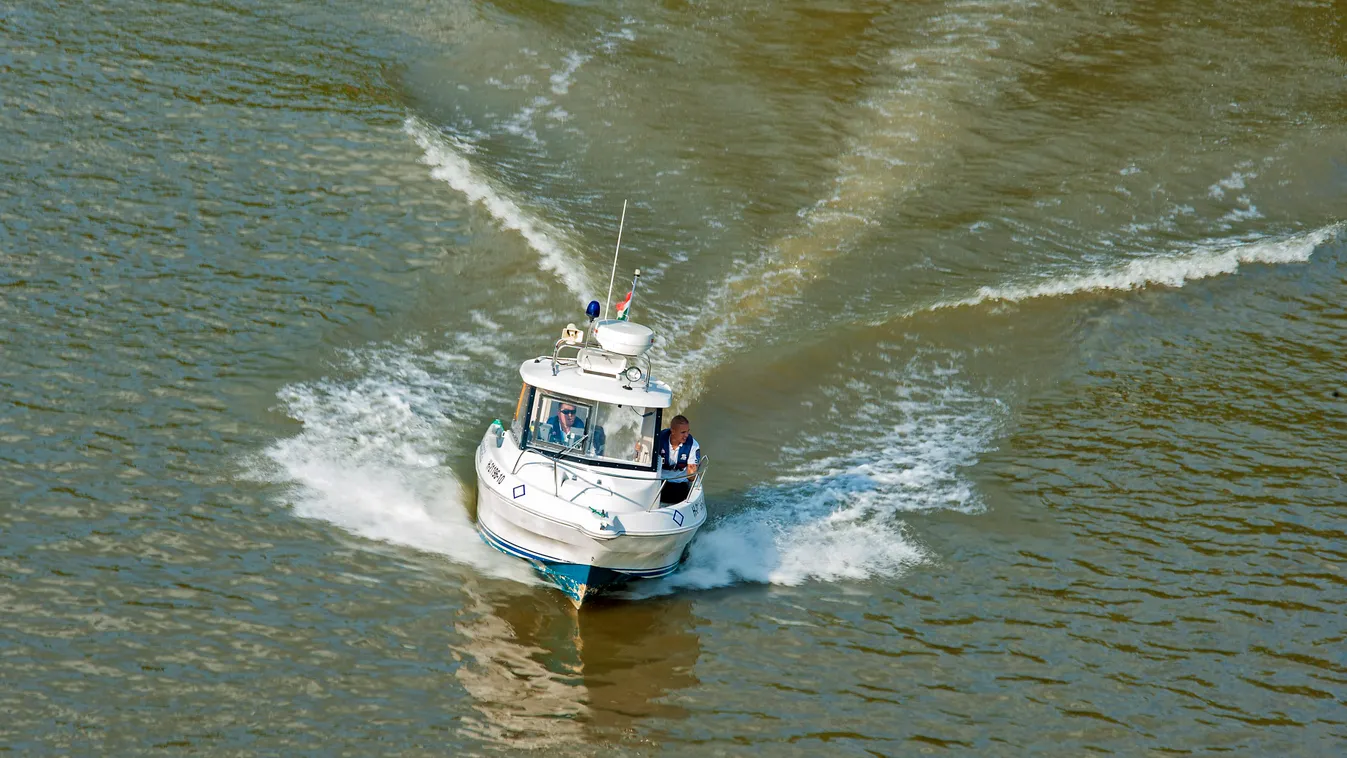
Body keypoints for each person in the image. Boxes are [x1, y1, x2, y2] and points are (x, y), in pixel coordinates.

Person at [657, 415, 700, 504]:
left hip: (679, 483)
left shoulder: (693, 445)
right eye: (683, 432)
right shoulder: (658, 440)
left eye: (688, 432)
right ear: (673, 431)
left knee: (678, 494)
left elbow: (691, 477)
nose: (686, 435)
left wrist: (693, 471)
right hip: (658, 481)